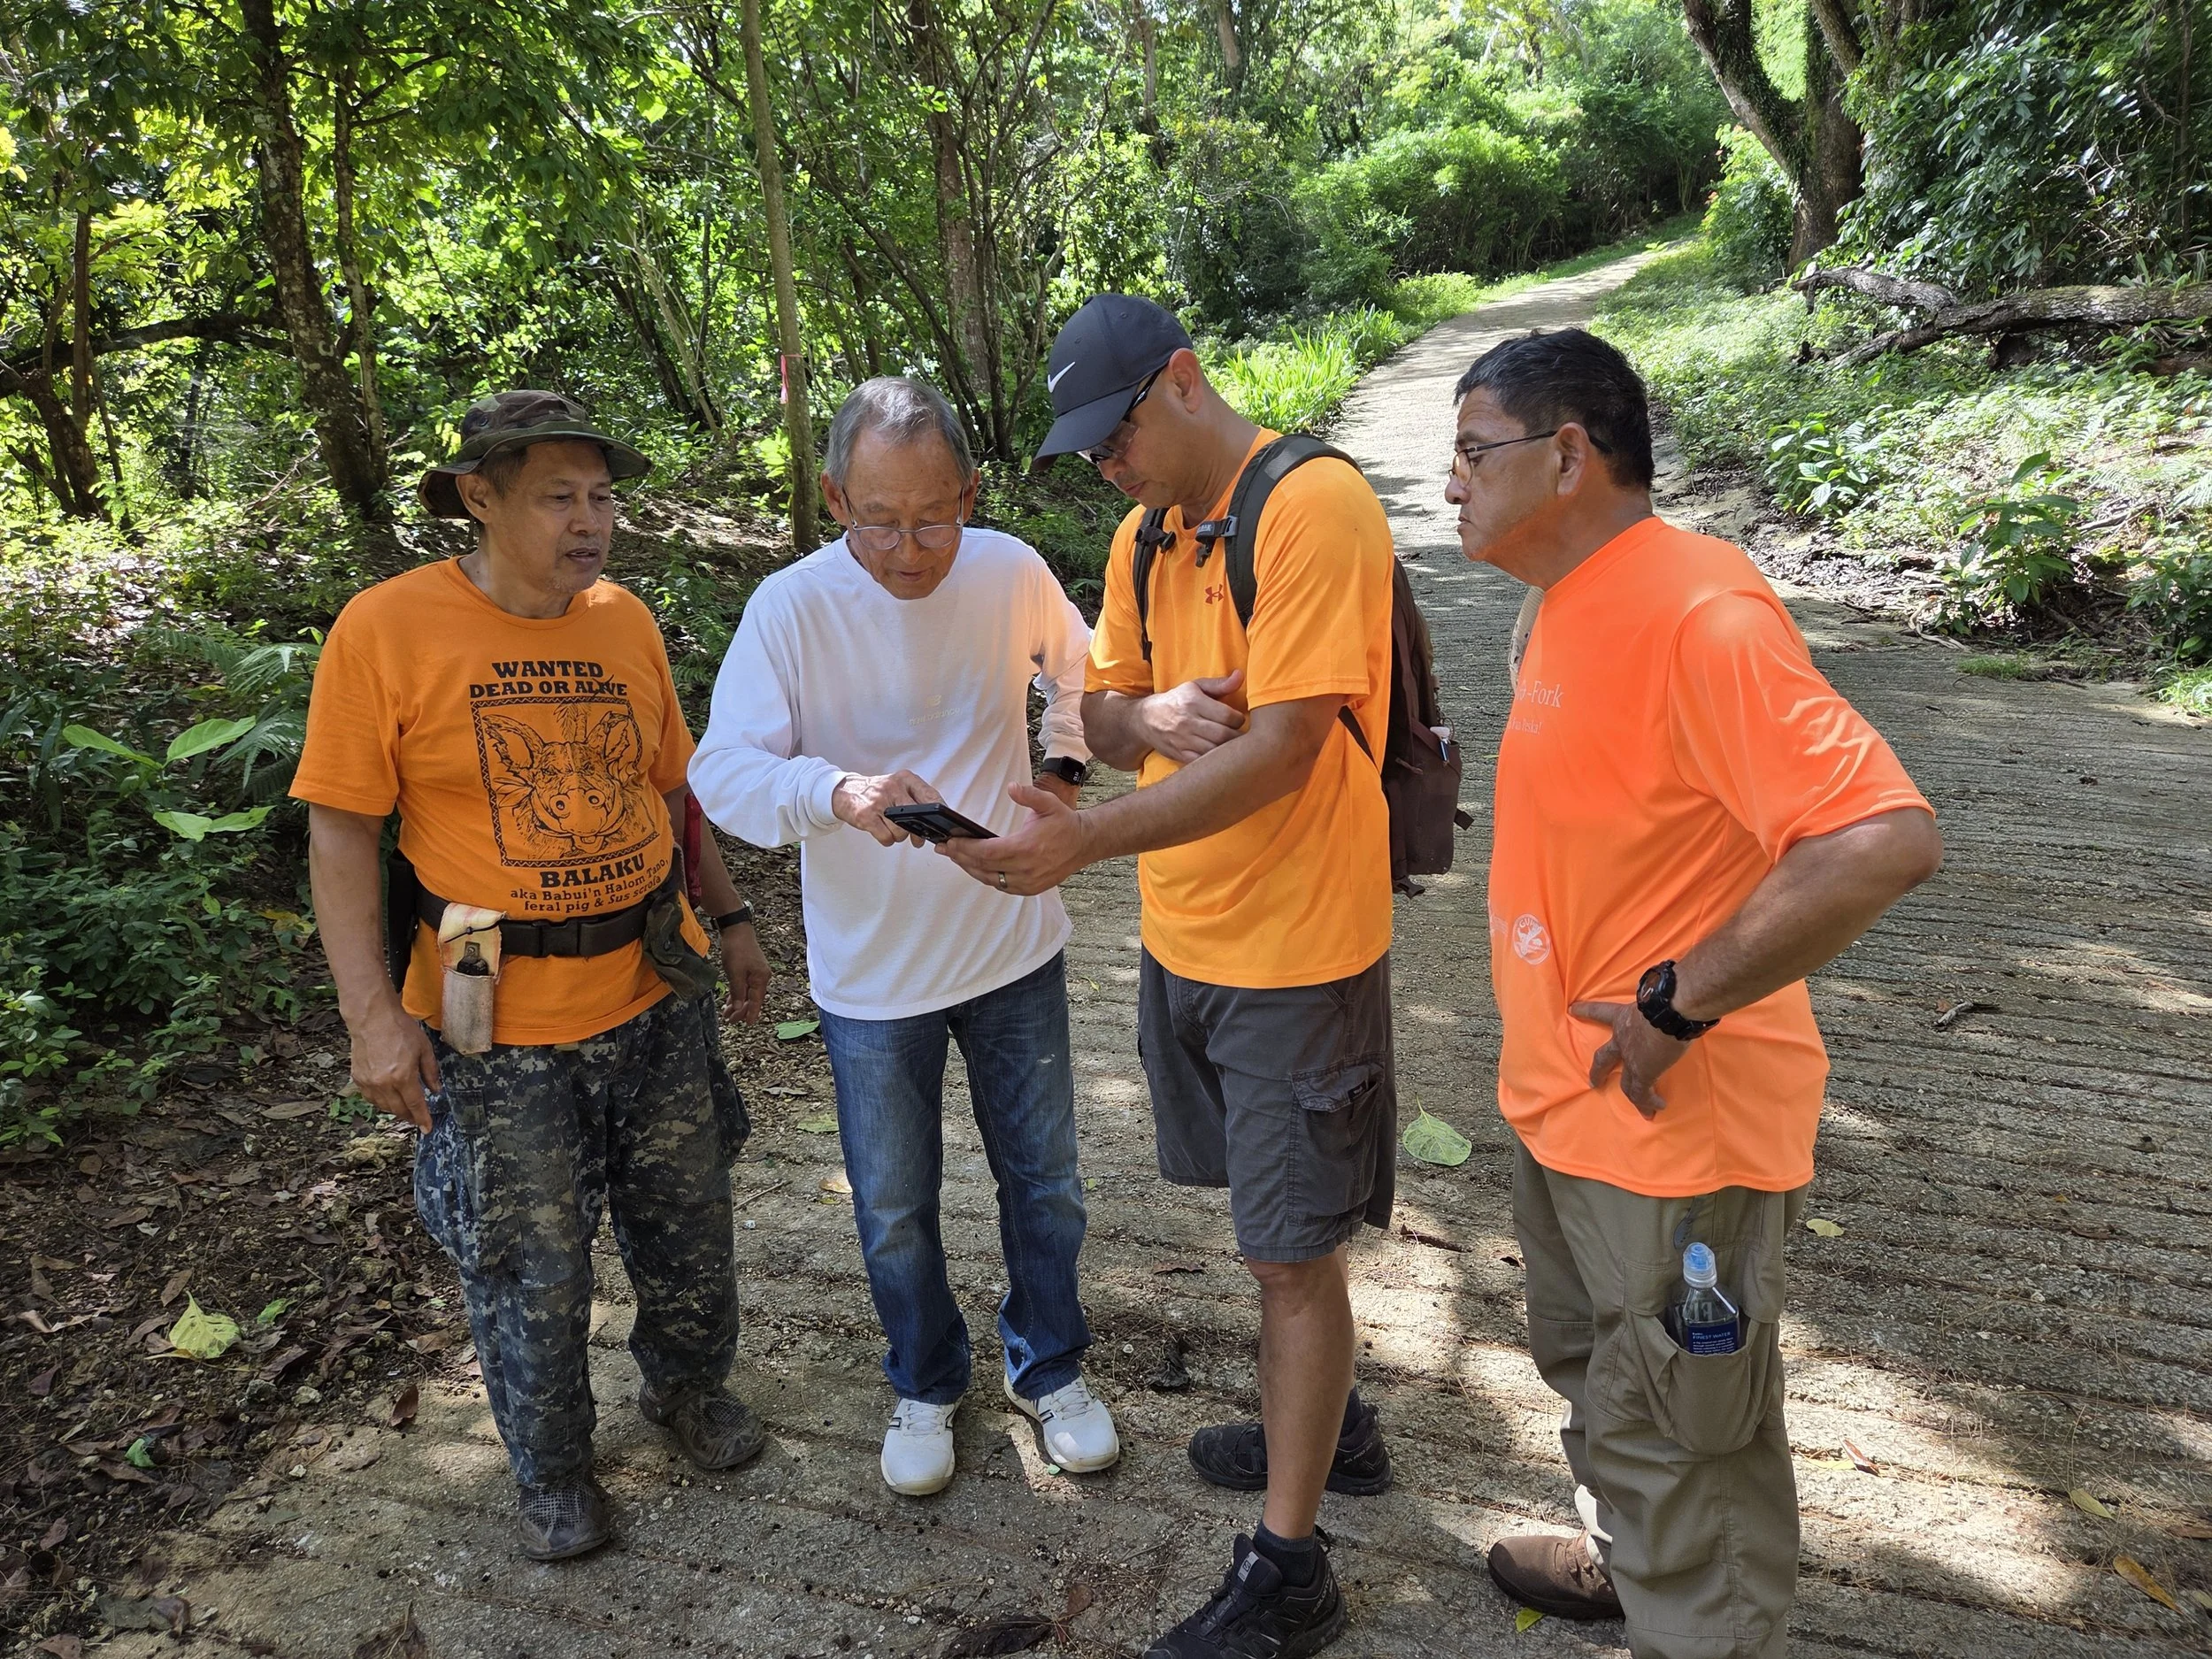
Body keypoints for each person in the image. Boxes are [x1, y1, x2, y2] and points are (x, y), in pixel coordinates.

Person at [1447, 330, 1942, 1655]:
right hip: (1574, 1107)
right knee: (1602, 1372)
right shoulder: (1561, 600)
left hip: (1676, 1128)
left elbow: (1879, 837)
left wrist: (1677, 1003)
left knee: (1691, 1437)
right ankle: (1627, 1557)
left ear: (1567, 456)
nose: (1449, 484)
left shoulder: (1700, 612)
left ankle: (1696, 1612)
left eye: (1473, 451)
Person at [946, 295, 1398, 1659]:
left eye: (1116, 435)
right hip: (1186, 936)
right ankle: (1336, 1427)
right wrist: (1141, 719)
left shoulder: (1314, 506)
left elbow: (1284, 752)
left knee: (1285, 1251)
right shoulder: (1148, 535)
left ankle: (1291, 1562)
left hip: (1298, 953)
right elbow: (1092, 702)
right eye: (1086, 454)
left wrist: (1084, 832)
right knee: (1273, 1238)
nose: (1106, 469)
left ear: (1184, 383)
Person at [292, 391, 774, 1562]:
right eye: (558, 494)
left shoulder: (624, 620)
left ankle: (689, 1387)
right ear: (479, 496)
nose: (589, 520)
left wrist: (732, 911)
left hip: (654, 984)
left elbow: (671, 790)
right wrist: (371, 1017)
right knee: (531, 1262)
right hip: (485, 999)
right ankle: (554, 1463)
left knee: (691, 1224)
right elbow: (343, 833)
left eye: (601, 495)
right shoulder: (388, 628)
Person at [687, 376, 1118, 1498]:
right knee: (891, 1207)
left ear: (970, 493)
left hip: (1012, 941)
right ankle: (926, 1379)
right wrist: (837, 791)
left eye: (934, 517)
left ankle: (1050, 1364)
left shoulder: (1009, 567)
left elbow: (1084, 670)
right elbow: (721, 774)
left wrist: (1062, 774)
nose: (910, 547)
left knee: (1048, 1183)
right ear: (834, 497)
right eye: (878, 519)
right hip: (870, 973)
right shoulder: (789, 607)